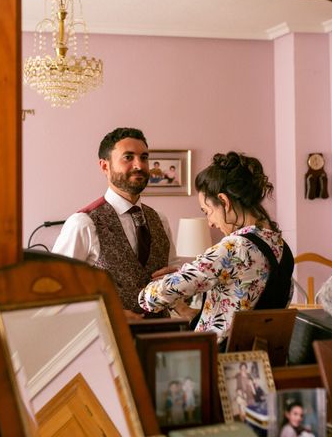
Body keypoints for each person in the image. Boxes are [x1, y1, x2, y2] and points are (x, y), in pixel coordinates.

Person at [138, 151, 293, 344]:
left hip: (218, 361)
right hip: (260, 362)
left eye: (207, 211)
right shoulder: (280, 246)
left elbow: (151, 300)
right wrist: (186, 304)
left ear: (224, 201)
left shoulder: (234, 248)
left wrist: (149, 290)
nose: (210, 223)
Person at [52, 128, 179, 319]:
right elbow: (57, 291)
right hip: (109, 339)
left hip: (160, 335)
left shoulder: (160, 220)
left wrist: (174, 281)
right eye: (128, 157)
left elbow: (172, 273)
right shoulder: (84, 223)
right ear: (105, 166)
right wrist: (109, 313)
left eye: (144, 157)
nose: (139, 165)